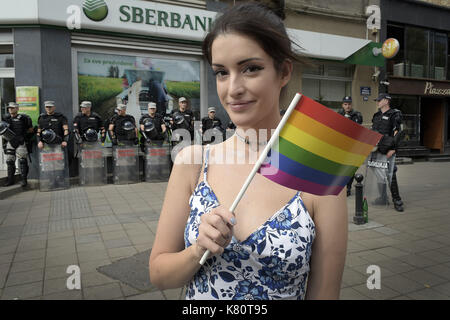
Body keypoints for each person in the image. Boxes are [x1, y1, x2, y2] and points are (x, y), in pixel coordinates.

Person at [149, 2, 347, 300]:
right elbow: (159, 275)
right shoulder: (193, 162)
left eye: (250, 68)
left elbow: (325, 294)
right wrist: (197, 250)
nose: (233, 89)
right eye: (221, 72)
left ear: (284, 72)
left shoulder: (321, 172)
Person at [371, 93, 404, 212]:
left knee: (390, 174)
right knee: (378, 173)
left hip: (388, 150)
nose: (377, 102)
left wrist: (394, 149)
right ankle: (383, 197)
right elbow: (373, 132)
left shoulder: (394, 114)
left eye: (379, 100)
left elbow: (398, 133)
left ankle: (397, 200)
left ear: (386, 100)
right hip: (376, 149)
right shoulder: (376, 115)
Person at [1, 102, 33, 187]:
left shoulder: (24, 118)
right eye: (9, 108)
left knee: (22, 160)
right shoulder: (5, 118)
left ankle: (24, 180)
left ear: (17, 109)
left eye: (12, 108)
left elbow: (30, 130)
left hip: (21, 142)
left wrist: (24, 137)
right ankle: (10, 180)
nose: (10, 109)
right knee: (9, 161)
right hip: (10, 142)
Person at [337, 96, 363, 196]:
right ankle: (340, 186)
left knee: (350, 168)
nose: (347, 106)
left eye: (349, 104)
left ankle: (348, 187)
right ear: (342, 105)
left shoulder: (357, 115)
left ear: (352, 105)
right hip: (341, 145)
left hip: (352, 146)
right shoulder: (339, 114)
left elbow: (357, 130)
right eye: (345, 104)